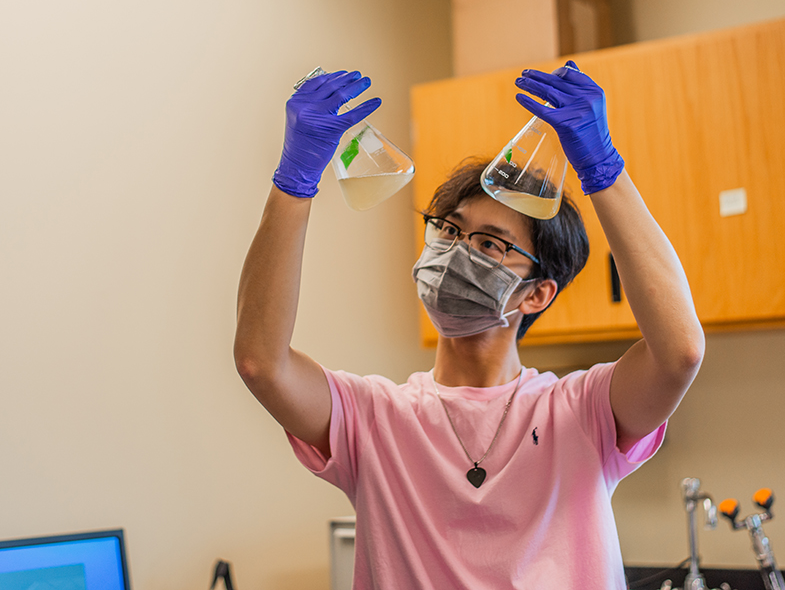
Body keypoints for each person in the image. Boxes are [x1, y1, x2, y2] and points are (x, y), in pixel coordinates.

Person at [234, 62, 705, 589]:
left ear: (537, 293)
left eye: (490, 244)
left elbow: (679, 352)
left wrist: (603, 170)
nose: (458, 252)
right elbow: (261, 363)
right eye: (449, 230)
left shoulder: (581, 413)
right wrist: (293, 183)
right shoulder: (374, 418)